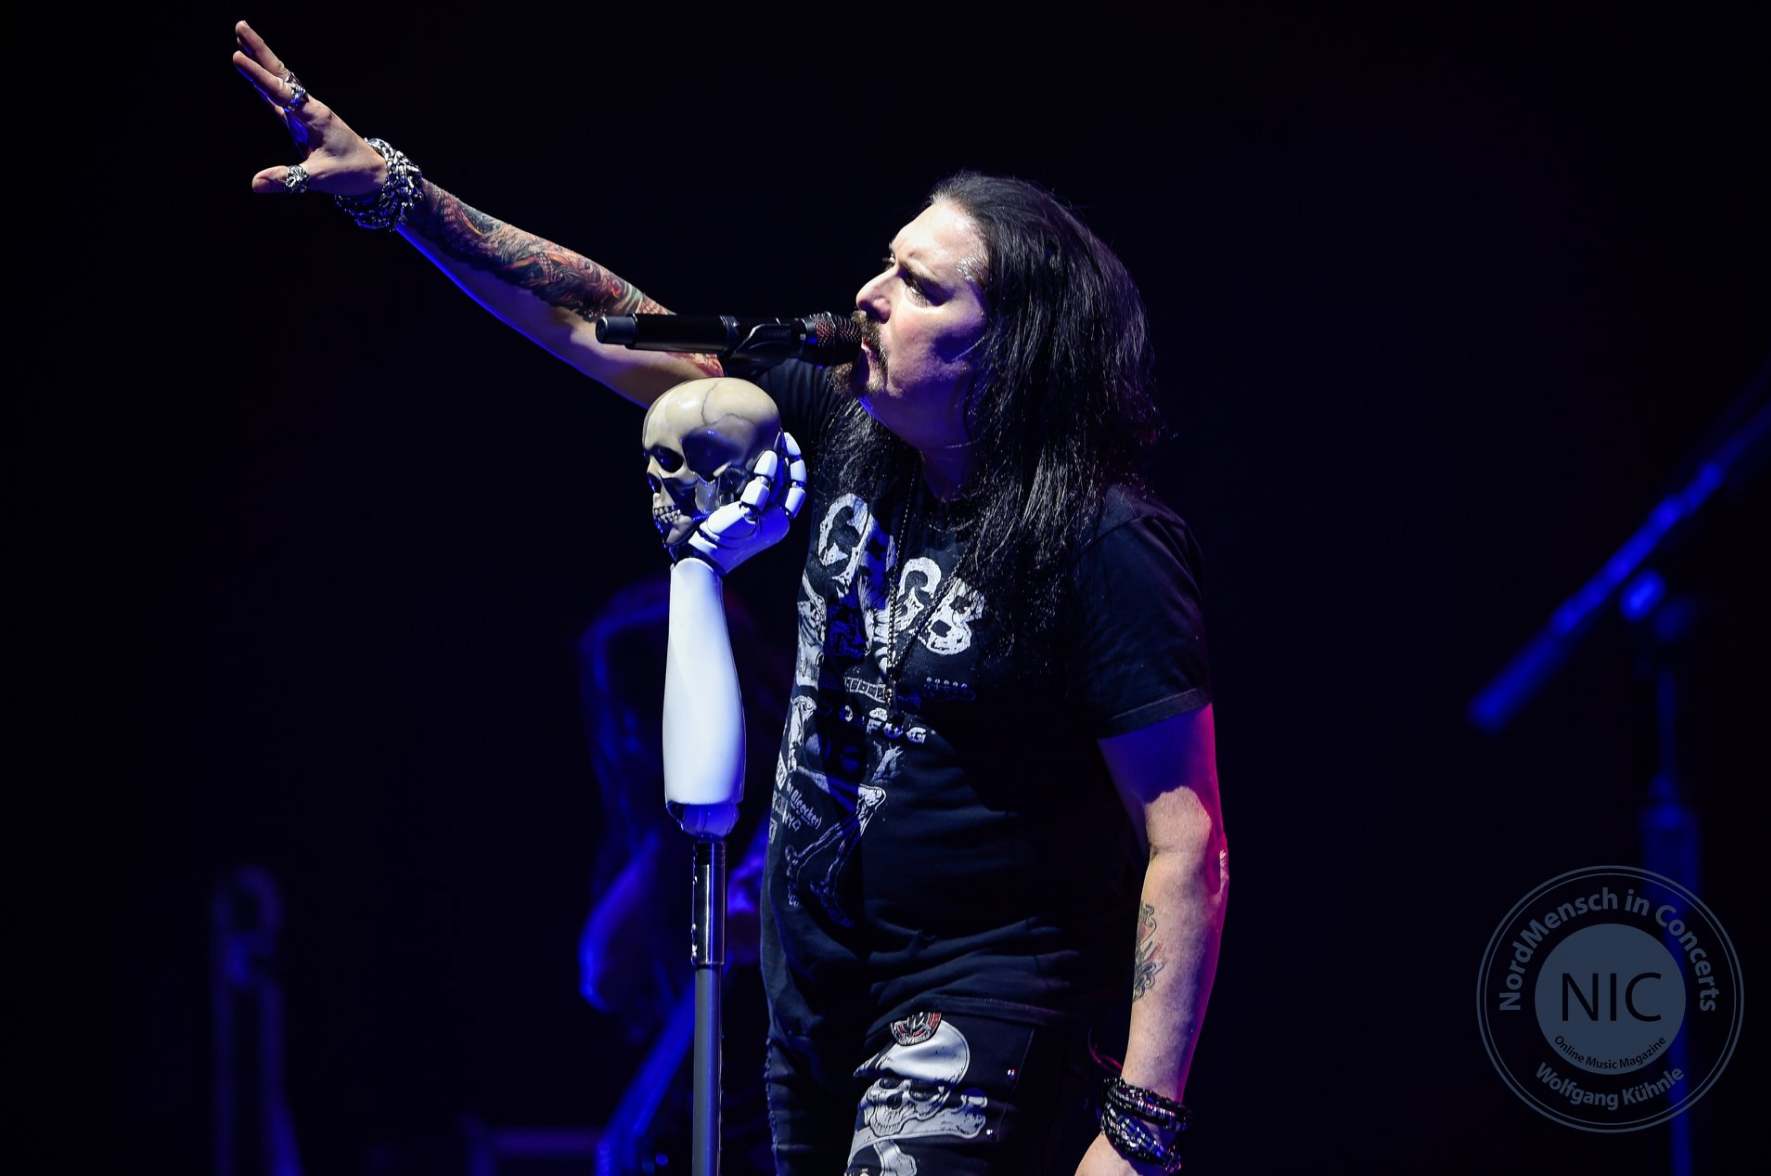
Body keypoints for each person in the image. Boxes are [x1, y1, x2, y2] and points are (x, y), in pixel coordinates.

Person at [233, 20, 1229, 1175]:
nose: (871, 294)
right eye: (886, 262)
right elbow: (597, 320)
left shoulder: (1104, 542)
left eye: (918, 287)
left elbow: (1186, 840)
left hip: (979, 1002)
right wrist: (398, 194)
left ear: (1011, 351)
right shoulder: (846, 420)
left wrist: (1141, 1126)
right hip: (812, 1001)